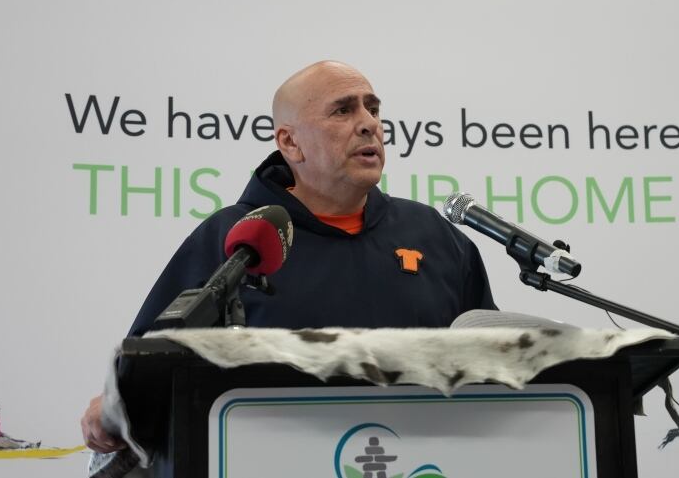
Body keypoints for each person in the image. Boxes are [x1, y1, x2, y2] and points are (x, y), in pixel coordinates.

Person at [81, 60, 497, 453]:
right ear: (290, 142)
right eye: (343, 111)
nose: (369, 124)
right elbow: (151, 364)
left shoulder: (433, 235)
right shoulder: (233, 239)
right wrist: (115, 404)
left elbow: (499, 364)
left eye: (373, 109)